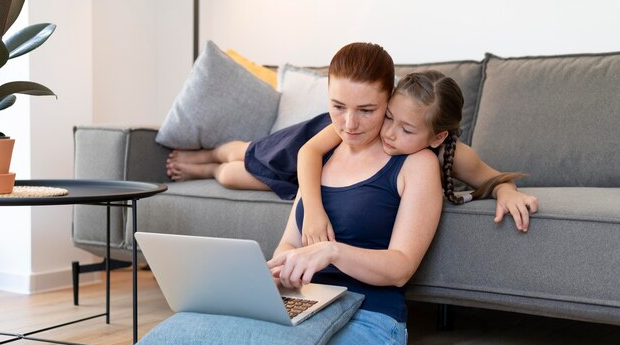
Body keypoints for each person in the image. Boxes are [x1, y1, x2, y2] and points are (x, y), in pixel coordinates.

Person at [141, 41, 441, 345]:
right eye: (338, 106)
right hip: (303, 306)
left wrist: (331, 252)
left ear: (390, 103)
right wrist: (277, 270)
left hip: (369, 320)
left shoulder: (416, 163)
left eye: (366, 110)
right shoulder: (320, 156)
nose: (349, 124)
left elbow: (400, 267)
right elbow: (289, 242)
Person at [165, 53, 537, 233]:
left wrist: (506, 191)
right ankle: (210, 151)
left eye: (406, 130)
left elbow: (495, 178)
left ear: (438, 137)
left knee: (230, 177)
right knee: (245, 155)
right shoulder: (356, 124)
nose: (389, 133)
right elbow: (310, 150)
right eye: (389, 117)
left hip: (330, 178)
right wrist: (312, 209)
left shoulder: (446, 151)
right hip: (307, 147)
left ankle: (210, 167)